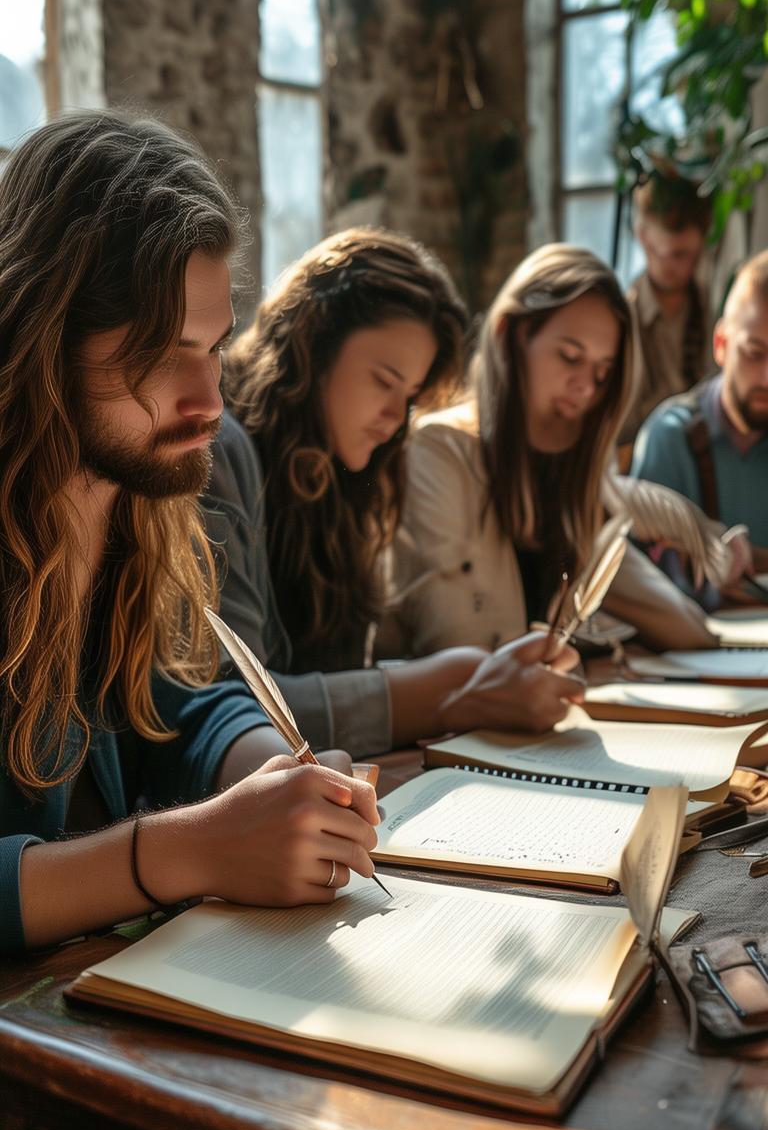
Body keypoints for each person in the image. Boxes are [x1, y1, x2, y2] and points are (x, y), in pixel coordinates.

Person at [0, 112, 378, 957]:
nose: (209, 401)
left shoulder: (127, 500)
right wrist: (188, 850)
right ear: (42, 334)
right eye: (161, 353)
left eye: (213, 347)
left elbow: (173, 705)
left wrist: (267, 774)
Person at [203, 228, 586, 758]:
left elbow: (332, 677)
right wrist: (451, 690)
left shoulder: (348, 480)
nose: (396, 418)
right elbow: (233, 704)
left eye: (410, 397)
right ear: (312, 346)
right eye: (384, 381)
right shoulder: (217, 449)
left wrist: (460, 682)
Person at [386, 243, 718, 658]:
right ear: (510, 335)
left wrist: (596, 513)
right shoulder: (438, 455)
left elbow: (689, 629)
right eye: (569, 357)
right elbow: (462, 652)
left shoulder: (565, 479)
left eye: (602, 373)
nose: (585, 389)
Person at [631, 249, 768, 568]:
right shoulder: (669, 439)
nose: (766, 377)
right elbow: (637, 577)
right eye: (754, 353)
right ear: (721, 345)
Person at [620, 171, 714, 455]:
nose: (668, 265)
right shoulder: (624, 318)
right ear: (642, 236)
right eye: (657, 252)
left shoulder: (712, 308)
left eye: (681, 254)